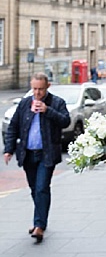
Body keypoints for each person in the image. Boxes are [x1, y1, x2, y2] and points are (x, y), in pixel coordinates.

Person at [3, 73, 70, 243]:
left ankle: (39, 225)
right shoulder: (25, 103)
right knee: (34, 189)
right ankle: (40, 219)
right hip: (27, 154)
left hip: (46, 153)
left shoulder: (57, 102)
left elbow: (65, 121)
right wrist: (9, 149)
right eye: (34, 89)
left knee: (41, 188)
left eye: (40, 89)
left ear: (48, 86)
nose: (37, 93)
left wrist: (48, 111)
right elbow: (14, 127)